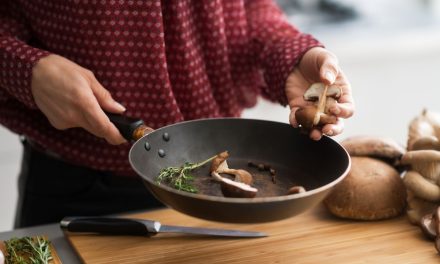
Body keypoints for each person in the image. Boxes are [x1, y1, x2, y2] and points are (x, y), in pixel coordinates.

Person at [0, 0, 354, 227]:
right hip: (79, 190)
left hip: (219, 197)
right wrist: (26, 69)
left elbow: (248, 10)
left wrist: (289, 54)